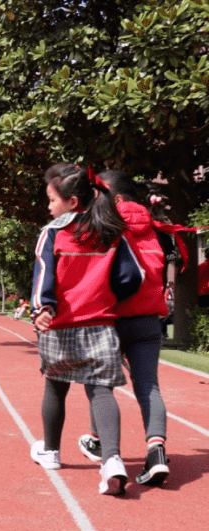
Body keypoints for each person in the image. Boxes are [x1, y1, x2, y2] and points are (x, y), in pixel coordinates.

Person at [30, 163, 141, 496]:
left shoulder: (53, 233)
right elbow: (131, 278)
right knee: (101, 390)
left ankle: (50, 452)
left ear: (72, 202)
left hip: (60, 325)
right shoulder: (112, 232)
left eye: (51, 200)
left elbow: (43, 274)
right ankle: (112, 461)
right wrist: (106, 296)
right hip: (101, 323)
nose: (48, 207)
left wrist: (43, 308)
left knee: (55, 388)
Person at [76, 170, 190, 487]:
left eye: (99, 193)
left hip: (108, 321)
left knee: (99, 386)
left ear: (119, 199)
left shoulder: (101, 227)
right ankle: (156, 452)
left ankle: (104, 448)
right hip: (146, 324)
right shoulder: (157, 231)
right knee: (148, 387)